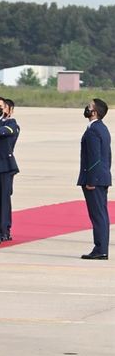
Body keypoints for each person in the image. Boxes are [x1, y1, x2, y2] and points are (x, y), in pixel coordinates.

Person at [79, 98, 110, 260]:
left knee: (98, 215)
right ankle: (101, 248)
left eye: (89, 107)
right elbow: (107, 157)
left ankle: (100, 249)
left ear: (94, 112)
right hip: (102, 177)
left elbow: (95, 157)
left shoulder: (93, 130)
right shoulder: (102, 128)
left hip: (95, 179)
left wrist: (92, 179)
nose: (86, 108)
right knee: (101, 215)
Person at [0, 96, 19, 241]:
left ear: (7, 109)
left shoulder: (10, 123)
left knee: (2, 200)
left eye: (1, 106)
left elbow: (8, 130)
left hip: (4, 167)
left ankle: (3, 230)